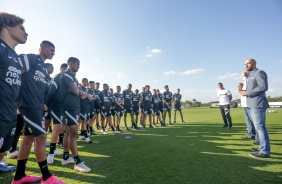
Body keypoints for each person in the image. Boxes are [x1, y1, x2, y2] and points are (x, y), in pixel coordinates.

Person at [13, 40, 64, 183]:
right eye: (51, 50)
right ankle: (46, 177)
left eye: (54, 51)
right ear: (41, 47)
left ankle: (19, 176)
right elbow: (16, 73)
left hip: (37, 106)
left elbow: (44, 90)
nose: (53, 53)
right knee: (41, 137)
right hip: (28, 105)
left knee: (28, 138)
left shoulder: (44, 69)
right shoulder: (31, 58)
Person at [0, 12, 27, 172]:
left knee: (4, 146)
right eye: (21, 28)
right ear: (7, 27)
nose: (26, 32)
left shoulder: (15, 56)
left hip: (11, 111)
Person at [60, 57, 91, 172]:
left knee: (68, 133)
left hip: (74, 107)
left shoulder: (73, 77)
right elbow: (74, 90)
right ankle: (77, 162)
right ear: (70, 63)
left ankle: (66, 158)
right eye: (77, 64)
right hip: (69, 107)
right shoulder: (67, 74)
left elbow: (77, 89)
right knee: (73, 133)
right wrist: (85, 94)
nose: (79, 66)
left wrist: (82, 93)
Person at [239, 59, 271, 158]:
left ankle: (264, 151)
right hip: (252, 104)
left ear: (254, 63)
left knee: (260, 127)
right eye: (245, 64)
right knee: (259, 127)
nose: (246, 65)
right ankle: (262, 147)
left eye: (248, 63)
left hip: (258, 104)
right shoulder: (250, 76)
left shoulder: (259, 72)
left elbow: (263, 87)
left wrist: (247, 93)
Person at [45, 63, 68, 164]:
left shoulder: (65, 80)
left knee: (47, 126)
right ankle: (51, 153)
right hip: (54, 105)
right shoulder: (57, 77)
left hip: (60, 106)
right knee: (57, 127)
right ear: (62, 69)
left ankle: (52, 149)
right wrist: (47, 104)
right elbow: (51, 92)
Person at [78, 78, 92, 143]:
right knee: (83, 121)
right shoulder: (79, 87)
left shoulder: (87, 89)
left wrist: (86, 95)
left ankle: (82, 135)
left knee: (85, 121)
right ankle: (86, 137)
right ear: (82, 81)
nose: (87, 82)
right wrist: (86, 96)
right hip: (81, 107)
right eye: (86, 81)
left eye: (87, 81)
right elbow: (82, 96)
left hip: (87, 107)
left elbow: (90, 99)